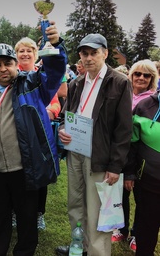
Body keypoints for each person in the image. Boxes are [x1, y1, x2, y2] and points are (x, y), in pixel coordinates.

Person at [0, 21, 67, 255]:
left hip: (24, 170)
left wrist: (56, 46)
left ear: (15, 63)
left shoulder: (32, 85)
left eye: (7, 63)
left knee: (27, 220)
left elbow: (56, 72)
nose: (3, 69)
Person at [56, 33, 133, 256]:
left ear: (105, 53)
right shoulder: (76, 82)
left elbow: (123, 129)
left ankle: (97, 252)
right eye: (84, 53)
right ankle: (79, 246)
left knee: (98, 210)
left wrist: (115, 165)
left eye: (94, 53)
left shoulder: (118, 83)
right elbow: (64, 116)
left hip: (100, 157)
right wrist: (62, 129)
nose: (88, 58)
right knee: (76, 204)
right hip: (75, 152)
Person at [13, 36, 62, 230]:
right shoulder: (11, 76)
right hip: (16, 136)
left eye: (29, 50)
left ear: (36, 55)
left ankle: (39, 213)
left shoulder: (42, 78)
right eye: (21, 51)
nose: (25, 54)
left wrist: (50, 111)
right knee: (17, 176)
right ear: (16, 55)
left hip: (39, 137)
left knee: (40, 177)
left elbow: (56, 102)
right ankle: (15, 212)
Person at [111, 59, 158, 252]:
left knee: (142, 200)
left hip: (139, 159)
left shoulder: (151, 101)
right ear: (131, 75)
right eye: (137, 73)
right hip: (118, 152)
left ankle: (137, 233)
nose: (141, 78)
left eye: (146, 75)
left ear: (152, 78)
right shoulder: (123, 93)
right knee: (120, 194)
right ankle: (120, 228)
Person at [123, 88, 160, 256]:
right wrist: (130, 172)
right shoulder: (145, 106)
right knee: (147, 229)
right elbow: (132, 144)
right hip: (149, 181)